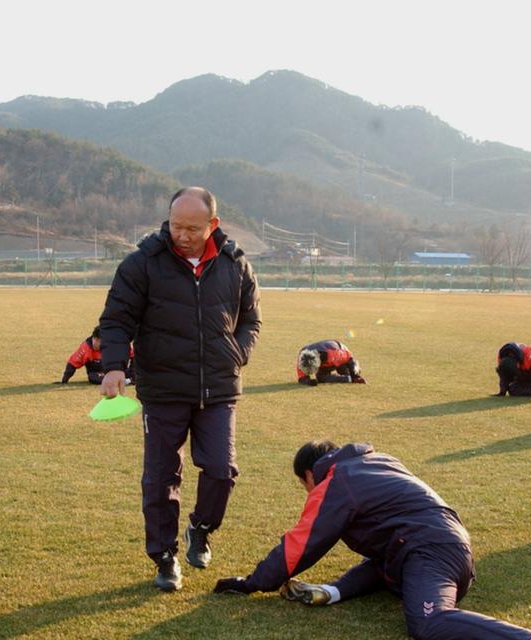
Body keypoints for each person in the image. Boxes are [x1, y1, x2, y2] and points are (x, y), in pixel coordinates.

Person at [212, 441, 531, 640]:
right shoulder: (377, 461)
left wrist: (252, 583)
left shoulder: (336, 481)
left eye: (303, 485)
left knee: (428, 622)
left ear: (310, 474)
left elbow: (302, 543)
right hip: (440, 547)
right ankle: (332, 591)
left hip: (427, 551)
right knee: (383, 562)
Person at [98, 186, 262, 591]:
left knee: (221, 470)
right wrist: (114, 367)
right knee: (160, 478)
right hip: (163, 388)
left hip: (218, 387)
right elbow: (116, 319)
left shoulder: (235, 264)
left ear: (213, 224)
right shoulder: (142, 264)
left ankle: (200, 529)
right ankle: (165, 556)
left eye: (192, 228)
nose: (182, 235)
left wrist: (236, 353)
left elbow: (251, 320)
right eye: (176, 226)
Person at [58, 327, 133, 384]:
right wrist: (64, 381)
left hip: (116, 370)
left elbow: (133, 356)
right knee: (93, 378)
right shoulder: (86, 348)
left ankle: (128, 380)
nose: (100, 344)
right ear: (94, 338)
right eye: (98, 341)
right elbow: (72, 363)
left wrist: (133, 370)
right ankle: (125, 381)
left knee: (134, 373)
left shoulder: (115, 344)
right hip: (98, 373)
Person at [296, 340, 367, 385]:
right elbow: (302, 378)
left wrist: (355, 376)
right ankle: (346, 378)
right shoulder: (302, 356)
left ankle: (349, 375)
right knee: (321, 378)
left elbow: (349, 358)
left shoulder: (333, 354)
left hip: (341, 355)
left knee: (345, 372)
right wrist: (308, 381)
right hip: (325, 358)